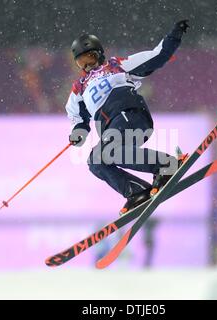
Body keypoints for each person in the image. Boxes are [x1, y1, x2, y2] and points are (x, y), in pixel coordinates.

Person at [65, 20, 190, 215]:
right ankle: (136, 192)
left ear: (99, 54)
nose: (88, 65)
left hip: (129, 114)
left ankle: (166, 164)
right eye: (82, 62)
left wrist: (174, 35)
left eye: (90, 57)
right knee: (96, 161)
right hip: (111, 127)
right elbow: (77, 117)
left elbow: (157, 55)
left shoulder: (116, 66)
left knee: (109, 150)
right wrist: (78, 132)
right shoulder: (79, 88)